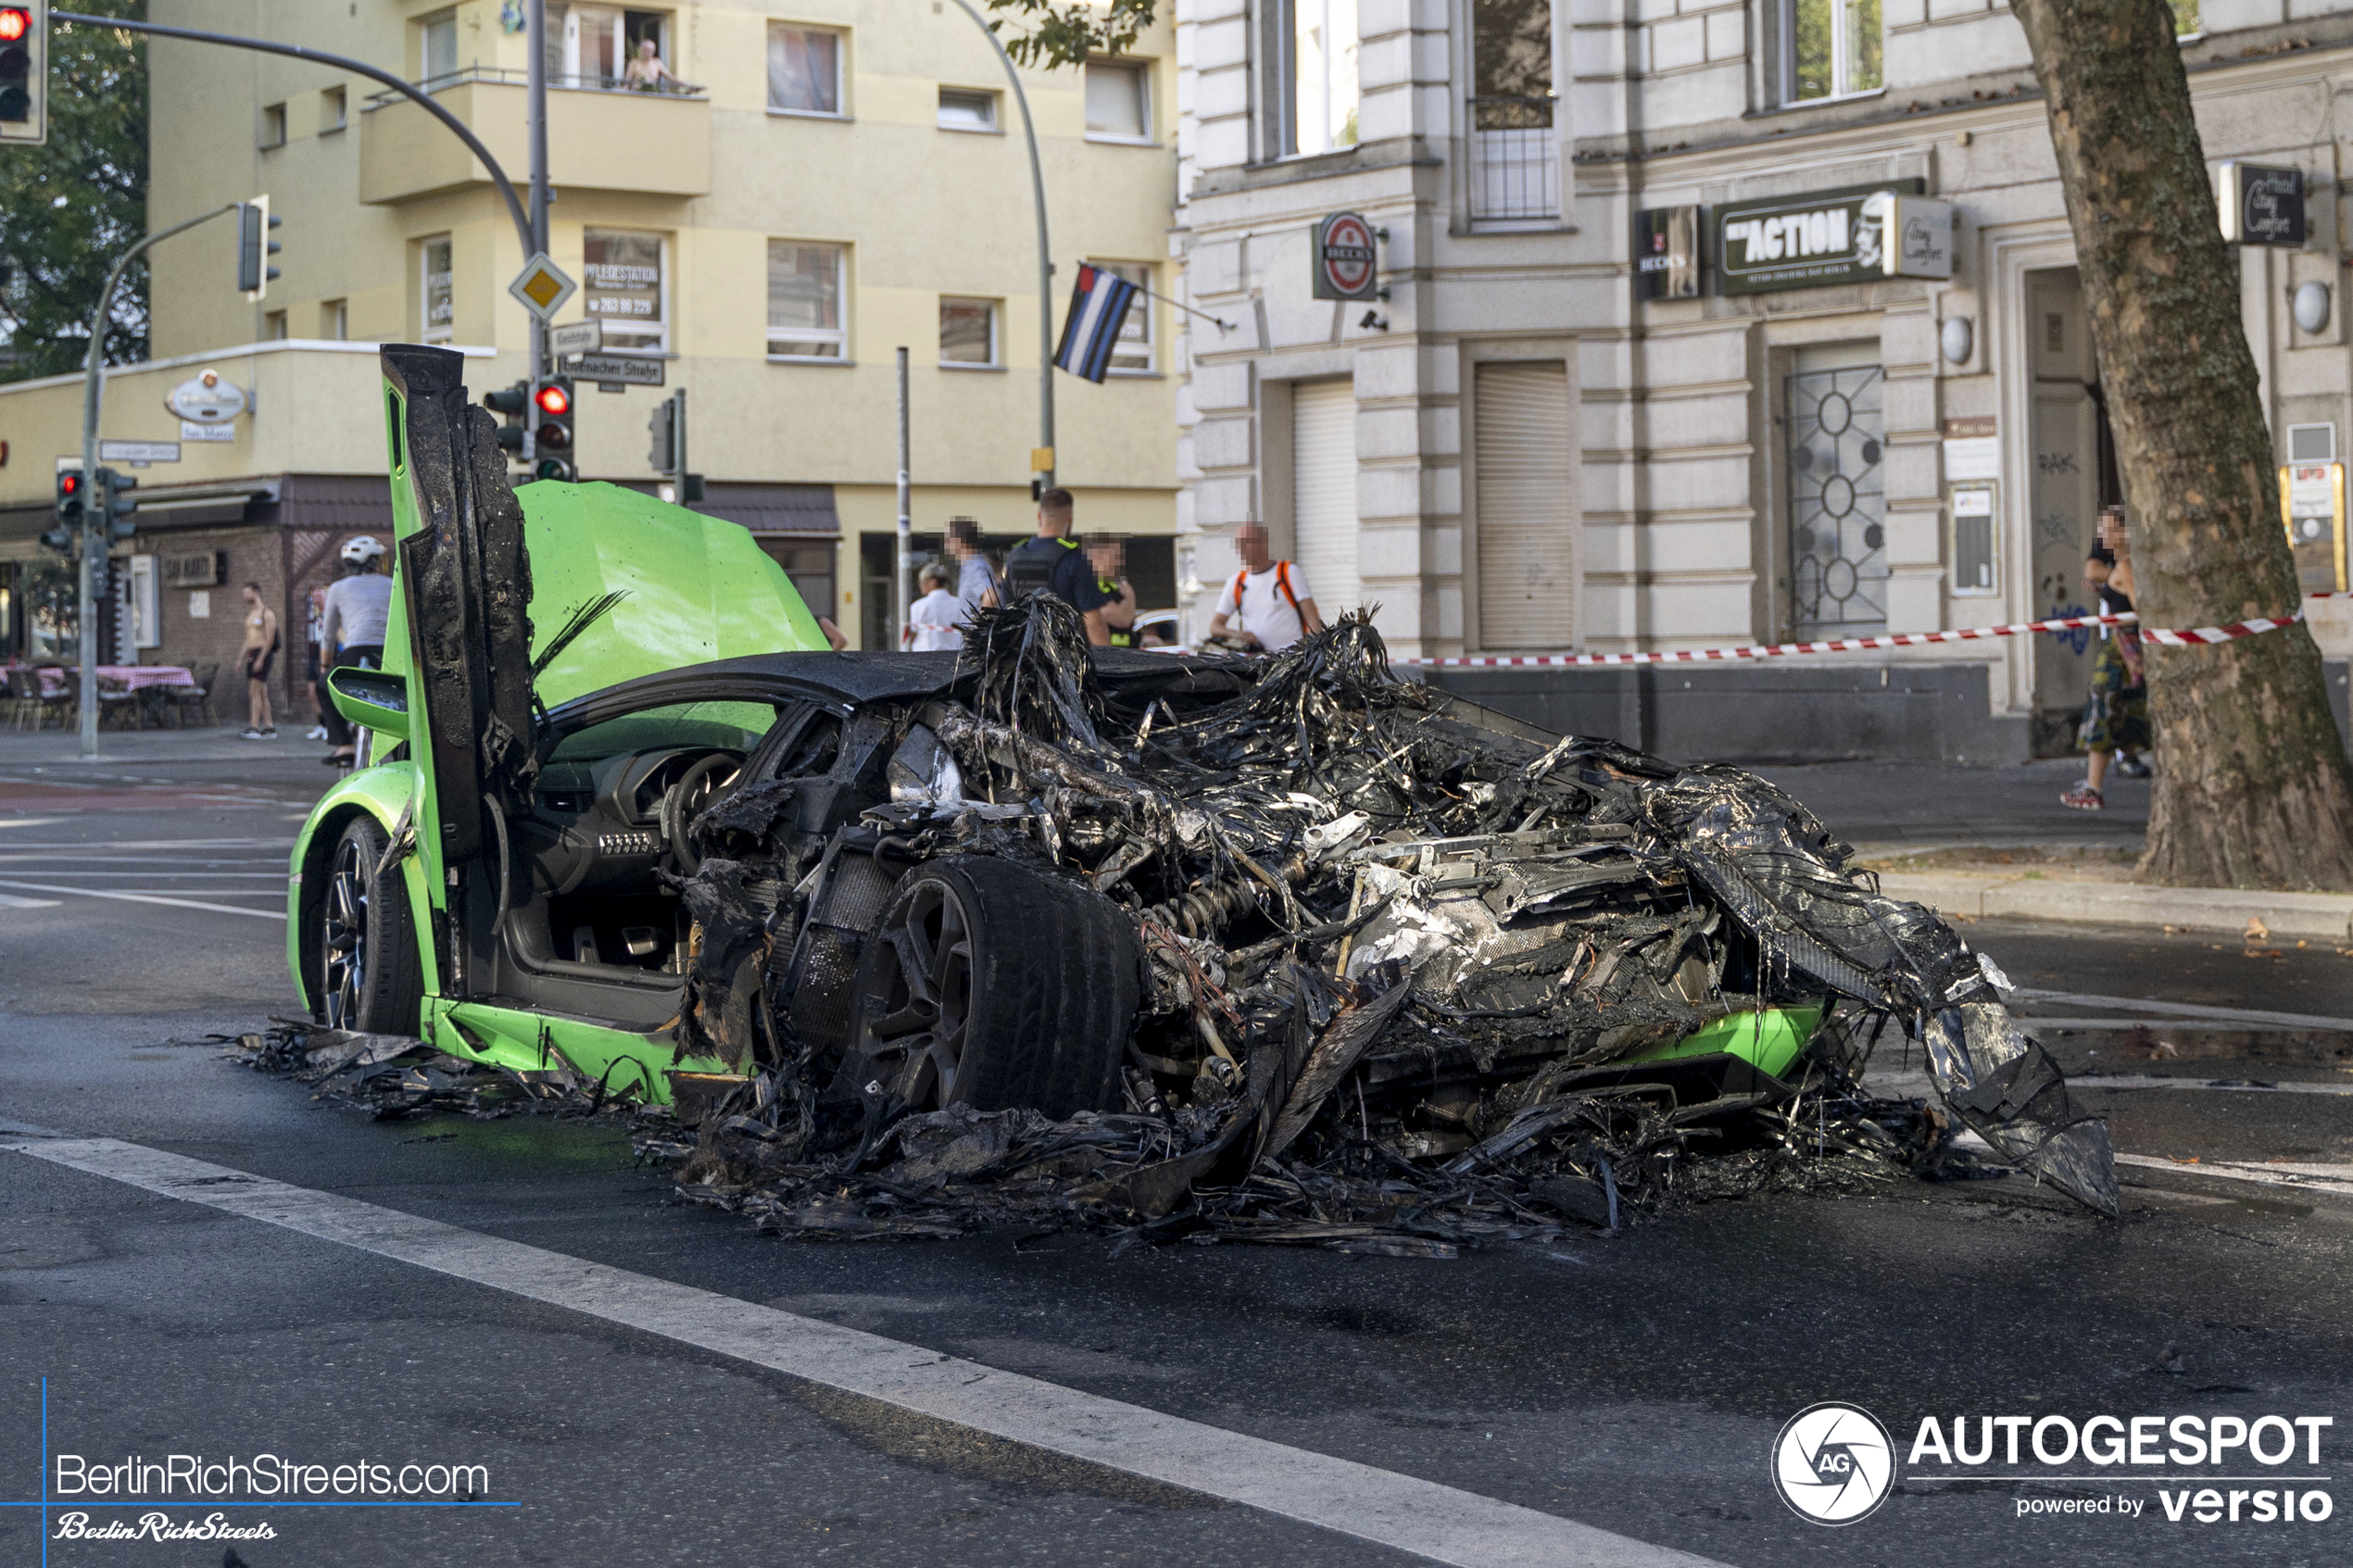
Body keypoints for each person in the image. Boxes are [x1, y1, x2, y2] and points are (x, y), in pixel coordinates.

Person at [2063, 508, 2152, 810]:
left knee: (2104, 712)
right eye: (2102, 530)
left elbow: (2142, 607)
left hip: (2123, 650)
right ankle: (2093, 785)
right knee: (2110, 714)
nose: (2104, 537)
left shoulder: (2127, 565)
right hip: (2120, 647)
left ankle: (2093, 787)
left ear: (2126, 533)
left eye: (2110, 530)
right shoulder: (2123, 565)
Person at [316, 536, 394, 767]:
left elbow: (328, 635)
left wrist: (325, 665)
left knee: (324, 685)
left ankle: (345, 745)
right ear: (376, 562)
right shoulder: (392, 584)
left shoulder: (338, 589)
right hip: (390, 654)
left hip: (356, 652)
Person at [1000, 487, 1112, 646]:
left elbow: (1006, 613)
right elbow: (1093, 622)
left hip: (1023, 658)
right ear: (1070, 519)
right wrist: (1106, 663)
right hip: (1065, 660)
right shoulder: (1075, 559)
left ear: (1039, 516)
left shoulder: (1013, 557)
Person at [1209, 521, 1327, 652]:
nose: (1245, 549)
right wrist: (1240, 635)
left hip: (1290, 658)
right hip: (1256, 661)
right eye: (1241, 544)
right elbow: (1215, 626)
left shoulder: (1288, 572)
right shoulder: (1236, 582)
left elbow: (1312, 617)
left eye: (1250, 543)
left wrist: (1309, 653)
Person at [237, 583, 279, 739]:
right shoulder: (251, 613)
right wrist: (240, 658)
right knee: (261, 693)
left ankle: (254, 727)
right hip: (252, 654)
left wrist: (261, 659)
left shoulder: (267, 613)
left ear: (256, 592)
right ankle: (269, 727)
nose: (245, 596)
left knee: (253, 692)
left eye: (247, 593)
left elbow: (270, 639)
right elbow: (248, 639)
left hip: (262, 654)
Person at [1087, 533, 1139, 648]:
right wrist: (1128, 597)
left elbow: (1126, 617)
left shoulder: (1118, 583)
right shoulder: (1091, 582)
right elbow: (1119, 618)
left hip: (1126, 650)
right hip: (1102, 652)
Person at [903, 561, 964, 651]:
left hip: (925, 655)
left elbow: (913, 634)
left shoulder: (919, 606)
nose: (920, 586)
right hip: (955, 655)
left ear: (933, 582)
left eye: (923, 582)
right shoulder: (961, 604)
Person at [947, 516, 999, 613]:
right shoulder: (967, 567)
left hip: (972, 628)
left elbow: (991, 596)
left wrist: (981, 625)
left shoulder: (975, 567)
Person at [623, 36, 687, 91]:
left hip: (652, 95)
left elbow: (669, 76)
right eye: (647, 51)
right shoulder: (634, 63)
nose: (649, 53)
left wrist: (685, 85)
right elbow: (627, 83)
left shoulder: (657, 63)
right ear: (641, 50)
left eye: (651, 51)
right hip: (637, 96)